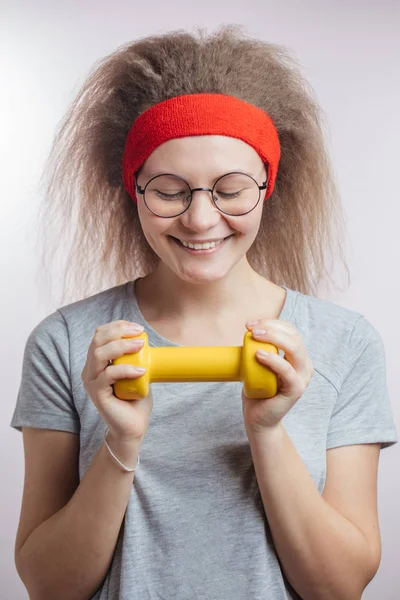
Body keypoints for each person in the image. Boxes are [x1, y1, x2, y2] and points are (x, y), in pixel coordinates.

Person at [11, 25, 397, 600]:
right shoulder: (67, 342)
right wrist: (120, 442)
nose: (199, 219)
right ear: (133, 190)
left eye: (231, 188)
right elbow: (48, 586)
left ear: (267, 188)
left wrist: (267, 433)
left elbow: (339, 587)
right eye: (169, 189)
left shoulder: (345, 342)